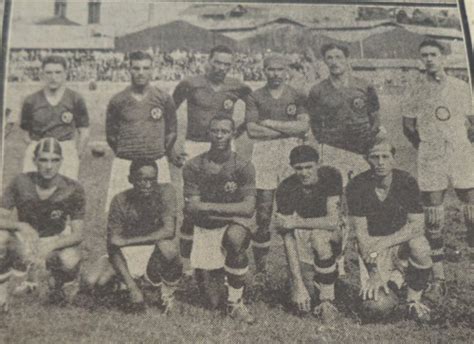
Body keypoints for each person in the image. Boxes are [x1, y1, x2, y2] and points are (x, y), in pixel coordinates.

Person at [402, 39, 474, 302]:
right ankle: (439, 277)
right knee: (434, 216)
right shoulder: (415, 89)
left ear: (443, 56)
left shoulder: (460, 87)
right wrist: (426, 146)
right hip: (431, 155)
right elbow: (408, 126)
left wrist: (462, 143)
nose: (429, 59)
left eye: (433, 54)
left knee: (472, 209)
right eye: (424, 55)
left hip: (460, 152)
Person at [306, 43, 385, 275]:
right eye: (329, 57)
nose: (334, 61)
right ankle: (337, 259)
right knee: (336, 208)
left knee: (363, 206)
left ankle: (370, 261)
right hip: (332, 152)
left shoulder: (365, 86)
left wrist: (366, 145)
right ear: (325, 61)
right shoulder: (318, 90)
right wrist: (328, 146)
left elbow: (375, 118)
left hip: (361, 154)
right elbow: (314, 124)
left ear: (346, 59)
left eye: (338, 56)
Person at [172, 45, 252, 270]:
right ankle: (186, 263)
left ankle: (222, 256)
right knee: (191, 207)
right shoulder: (191, 83)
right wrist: (172, 147)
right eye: (218, 62)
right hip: (195, 146)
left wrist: (243, 127)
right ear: (209, 60)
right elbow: (169, 110)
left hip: (224, 145)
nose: (221, 68)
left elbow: (255, 104)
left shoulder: (236, 86)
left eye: (227, 64)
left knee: (225, 199)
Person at [346, 139, 433, 322]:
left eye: (385, 156)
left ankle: (413, 301)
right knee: (376, 307)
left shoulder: (406, 181)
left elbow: (417, 226)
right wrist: (374, 273)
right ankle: (395, 279)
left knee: (421, 246)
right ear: (366, 159)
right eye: (375, 157)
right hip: (372, 247)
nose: (381, 162)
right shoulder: (357, 185)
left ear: (394, 158)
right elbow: (361, 234)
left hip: (400, 244)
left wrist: (383, 243)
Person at [82, 159, 182, 314]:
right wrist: (132, 288)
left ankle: (165, 293)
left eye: (152, 180)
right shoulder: (120, 200)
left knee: (169, 248)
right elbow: (113, 246)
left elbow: (169, 231)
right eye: (142, 180)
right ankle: (127, 285)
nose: (148, 185)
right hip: (125, 253)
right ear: (131, 179)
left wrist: (128, 240)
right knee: (92, 281)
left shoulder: (166, 192)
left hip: (151, 250)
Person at [182, 115, 256, 324]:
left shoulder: (243, 166)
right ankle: (215, 271)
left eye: (225, 131)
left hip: (232, 225)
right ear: (208, 133)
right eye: (215, 131)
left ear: (233, 134)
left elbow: (249, 208)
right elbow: (192, 208)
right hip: (205, 227)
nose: (220, 135)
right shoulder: (194, 166)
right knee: (212, 302)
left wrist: (209, 207)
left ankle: (235, 302)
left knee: (235, 238)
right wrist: (231, 211)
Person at [245, 54, 310, 285]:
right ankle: (261, 270)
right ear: (264, 71)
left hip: (289, 154)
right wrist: (289, 130)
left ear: (286, 71)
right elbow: (252, 131)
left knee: (292, 212)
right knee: (263, 213)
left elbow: (303, 126)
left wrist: (271, 124)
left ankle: (298, 270)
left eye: (279, 69)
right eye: (270, 69)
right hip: (263, 153)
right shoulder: (255, 96)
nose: (275, 73)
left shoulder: (296, 94)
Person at [0, 138, 85, 305]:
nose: (48, 166)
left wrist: (50, 246)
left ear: (61, 161)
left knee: (70, 259)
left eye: (54, 160)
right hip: (25, 239)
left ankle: (57, 284)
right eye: (43, 159)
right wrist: (20, 225)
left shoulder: (73, 188)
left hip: (54, 239)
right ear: (34, 161)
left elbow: (78, 234)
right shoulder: (21, 181)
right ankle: (5, 283)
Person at [274, 145, 343, 324]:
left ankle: (328, 300)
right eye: (299, 168)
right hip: (302, 232)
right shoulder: (286, 187)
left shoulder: (331, 176)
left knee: (319, 239)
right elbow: (287, 237)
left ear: (318, 164)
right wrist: (298, 285)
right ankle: (323, 276)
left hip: (330, 230)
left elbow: (332, 221)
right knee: (304, 299)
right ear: (292, 167)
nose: (304, 173)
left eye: (308, 167)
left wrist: (296, 223)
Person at [105, 50, 177, 209]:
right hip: (124, 163)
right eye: (136, 68)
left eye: (145, 68)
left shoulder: (163, 98)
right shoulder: (118, 100)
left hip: (156, 161)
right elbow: (111, 134)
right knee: (120, 211)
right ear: (129, 69)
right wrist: (127, 151)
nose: (140, 73)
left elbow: (172, 130)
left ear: (152, 70)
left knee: (159, 211)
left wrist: (161, 150)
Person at [20, 55, 90, 180]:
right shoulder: (31, 100)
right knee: (32, 193)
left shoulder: (75, 99)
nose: (53, 77)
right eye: (49, 73)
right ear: (42, 75)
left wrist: (75, 155)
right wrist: (35, 148)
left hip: (65, 149)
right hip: (38, 149)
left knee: (65, 194)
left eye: (58, 72)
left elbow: (84, 131)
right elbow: (25, 133)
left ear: (65, 74)